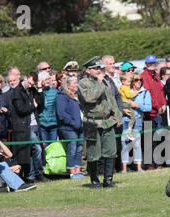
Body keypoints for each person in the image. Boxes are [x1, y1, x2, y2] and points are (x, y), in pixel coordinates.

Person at [77, 56, 123, 188]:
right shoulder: (83, 83)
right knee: (93, 153)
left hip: (107, 121)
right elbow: (89, 98)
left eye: (99, 68)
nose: (98, 70)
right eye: (95, 68)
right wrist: (100, 83)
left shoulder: (105, 81)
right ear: (88, 71)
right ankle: (94, 180)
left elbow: (111, 100)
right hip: (91, 122)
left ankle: (108, 180)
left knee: (110, 151)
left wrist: (118, 117)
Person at [11, 71, 49, 183]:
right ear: (26, 78)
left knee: (33, 151)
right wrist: (33, 106)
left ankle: (32, 175)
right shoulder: (17, 92)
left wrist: (40, 88)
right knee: (36, 148)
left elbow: (41, 102)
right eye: (31, 83)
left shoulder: (31, 89)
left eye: (33, 84)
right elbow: (21, 110)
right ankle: (38, 173)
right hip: (24, 127)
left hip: (34, 125)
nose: (32, 86)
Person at [121, 73, 152, 173]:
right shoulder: (125, 90)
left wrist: (137, 105)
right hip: (125, 120)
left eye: (140, 79)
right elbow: (117, 103)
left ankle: (139, 167)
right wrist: (123, 110)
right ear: (131, 82)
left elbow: (148, 107)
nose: (139, 81)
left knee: (136, 144)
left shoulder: (144, 92)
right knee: (124, 143)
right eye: (136, 80)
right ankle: (124, 169)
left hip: (137, 120)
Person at [142, 54, 168, 169]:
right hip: (149, 113)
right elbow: (149, 94)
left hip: (158, 112)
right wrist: (158, 106)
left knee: (159, 138)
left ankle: (158, 162)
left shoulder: (156, 76)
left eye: (153, 63)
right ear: (146, 64)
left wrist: (164, 104)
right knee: (149, 139)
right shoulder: (144, 76)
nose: (152, 65)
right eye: (150, 63)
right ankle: (149, 164)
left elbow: (161, 92)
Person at [56, 76, 84, 179]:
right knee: (72, 148)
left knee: (80, 148)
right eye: (74, 83)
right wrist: (73, 122)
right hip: (68, 128)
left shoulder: (76, 96)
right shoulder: (62, 96)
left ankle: (78, 171)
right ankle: (72, 172)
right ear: (68, 85)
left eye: (77, 83)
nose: (77, 85)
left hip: (80, 127)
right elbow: (61, 113)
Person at [38, 71, 59, 145]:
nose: (47, 81)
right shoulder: (37, 92)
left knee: (53, 146)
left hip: (53, 123)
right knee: (45, 147)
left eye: (48, 79)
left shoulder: (55, 92)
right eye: (44, 79)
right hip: (42, 123)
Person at [118, 73, 139, 141]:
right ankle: (129, 131)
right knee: (133, 117)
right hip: (126, 103)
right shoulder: (126, 88)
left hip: (122, 104)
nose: (129, 83)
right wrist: (135, 93)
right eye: (128, 82)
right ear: (123, 81)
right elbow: (128, 96)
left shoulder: (120, 88)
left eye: (130, 82)